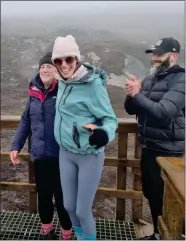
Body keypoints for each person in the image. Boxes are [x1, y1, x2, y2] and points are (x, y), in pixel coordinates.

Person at [51, 35, 118, 240]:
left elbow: (110, 119)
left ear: (77, 59)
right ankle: (81, 238)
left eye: (68, 59)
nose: (64, 65)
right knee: (68, 206)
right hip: (66, 152)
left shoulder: (92, 84)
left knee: (82, 210)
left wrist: (103, 134)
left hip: (89, 155)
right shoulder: (61, 82)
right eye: (58, 61)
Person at [124, 37, 185, 240]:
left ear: (173, 56)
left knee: (170, 199)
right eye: (153, 55)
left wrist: (138, 95)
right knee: (151, 193)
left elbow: (163, 112)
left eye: (159, 54)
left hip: (169, 152)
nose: (155, 59)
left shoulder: (181, 80)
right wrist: (131, 93)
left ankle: (176, 236)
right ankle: (159, 235)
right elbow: (132, 108)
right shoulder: (151, 78)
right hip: (149, 146)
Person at [10, 53, 72, 240]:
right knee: (43, 195)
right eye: (42, 67)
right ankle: (47, 229)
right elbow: (26, 120)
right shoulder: (34, 93)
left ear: (57, 70)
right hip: (40, 156)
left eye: (49, 66)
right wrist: (16, 145)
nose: (45, 70)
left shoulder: (64, 91)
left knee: (63, 199)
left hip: (62, 156)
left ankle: (66, 233)